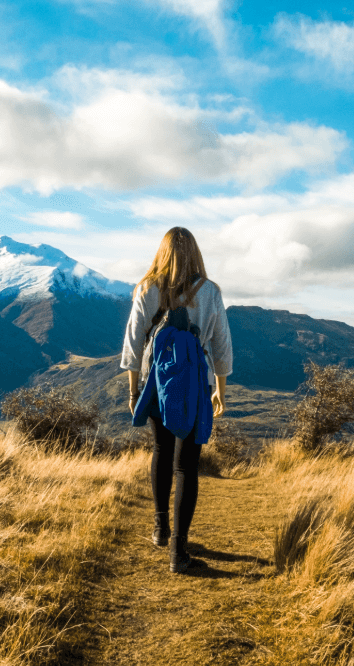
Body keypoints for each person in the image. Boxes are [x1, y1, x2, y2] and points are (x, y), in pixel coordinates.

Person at [120, 226, 233, 573]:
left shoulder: (146, 288)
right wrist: (220, 389)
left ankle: (159, 527)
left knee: (160, 451)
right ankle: (178, 551)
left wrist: (134, 390)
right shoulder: (210, 292)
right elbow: (221, 344)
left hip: (157, 383)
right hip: (194, 386)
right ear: (195, 254)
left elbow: (133, 343)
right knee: (186, 465)